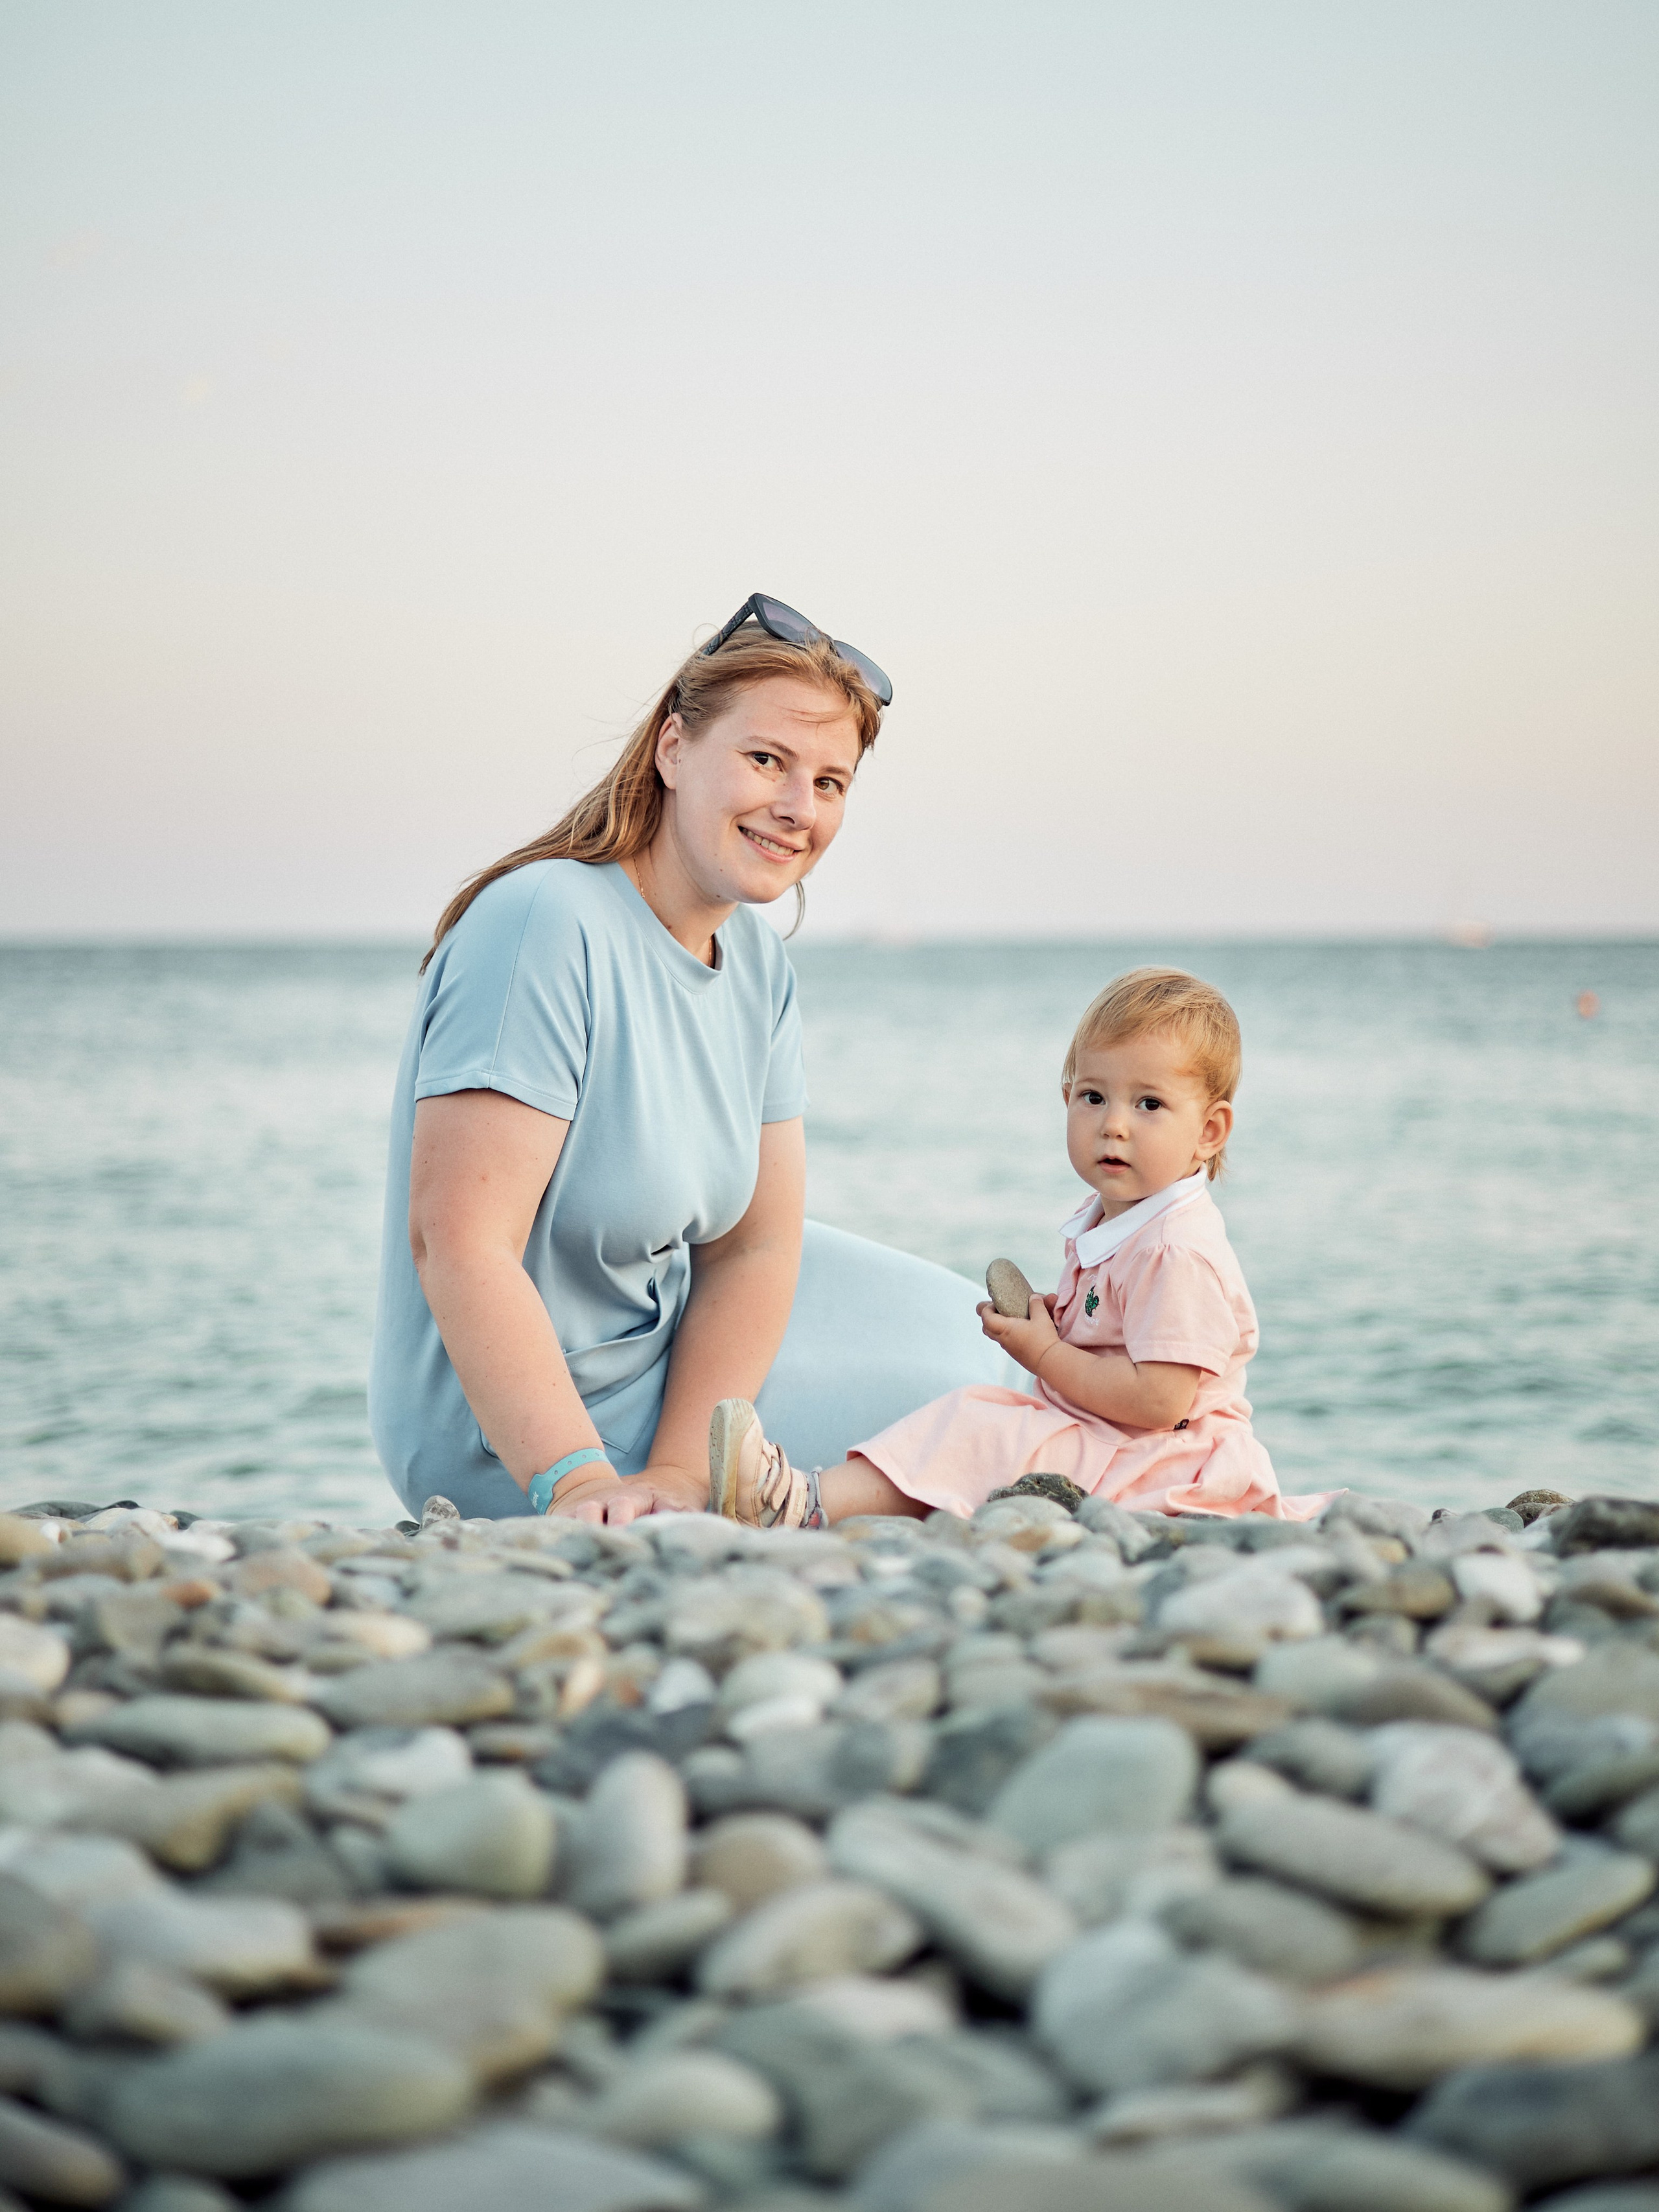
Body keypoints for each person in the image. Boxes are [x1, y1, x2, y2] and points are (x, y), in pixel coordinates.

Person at [367, 596, 1008, 1524]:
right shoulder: (544, 922)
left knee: (1003, 1356)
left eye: (830, 783)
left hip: (671, 1359)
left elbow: (753, 1247)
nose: (798, 809)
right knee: (987, 1421)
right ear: (673, 749)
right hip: (520, 1430)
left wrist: (686, 1469)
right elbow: (459, 1240)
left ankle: (1210, 1454)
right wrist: (581, 1482)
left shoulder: (757, 964)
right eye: (766, 761)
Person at [709, 968, 1336, 1526]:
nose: (1113, 1122)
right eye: (1094, 1096)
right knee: (979, 1419)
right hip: (1117, 1437)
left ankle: (799, 1503)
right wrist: (1049, 1321)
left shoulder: (1175, 1250)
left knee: (979, 1426)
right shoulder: (1119, 1220)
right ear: (1067, 1099)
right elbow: (1116, 1336)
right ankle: (815, 1496)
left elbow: (1160, 1399)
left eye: (1149, 1104)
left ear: (1208, 1131)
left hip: (1168, 1461)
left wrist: (1043, 1352)